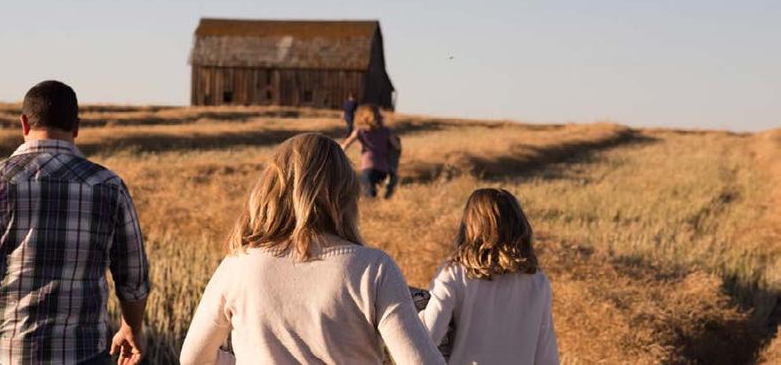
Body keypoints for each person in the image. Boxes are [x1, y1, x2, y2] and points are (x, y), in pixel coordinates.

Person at [179, 133, 444, 365]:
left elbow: (192, 358)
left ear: (271, 189)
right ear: (346, 194)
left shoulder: (237, 264)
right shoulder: (373, 269)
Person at [0, 80, 150, 365]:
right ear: (76, 127)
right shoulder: (108, 185)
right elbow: (133, 277)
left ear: (24, 124)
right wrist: (131, 328)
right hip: (84, 354)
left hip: (3, 354)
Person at [419, 189, 559, 365]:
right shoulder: (537, 281)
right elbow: (546, 356)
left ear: (470, 226)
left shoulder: (454, 273)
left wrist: (416, 311)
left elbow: (427, 339)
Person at [341, 104, 401, 198]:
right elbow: (397, 146)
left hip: (368, 166)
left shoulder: (360, 131)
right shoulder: (386, 131)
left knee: (368, 196)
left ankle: (373, 209)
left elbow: (345, 145)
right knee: (379, 193)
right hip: (383, 168)